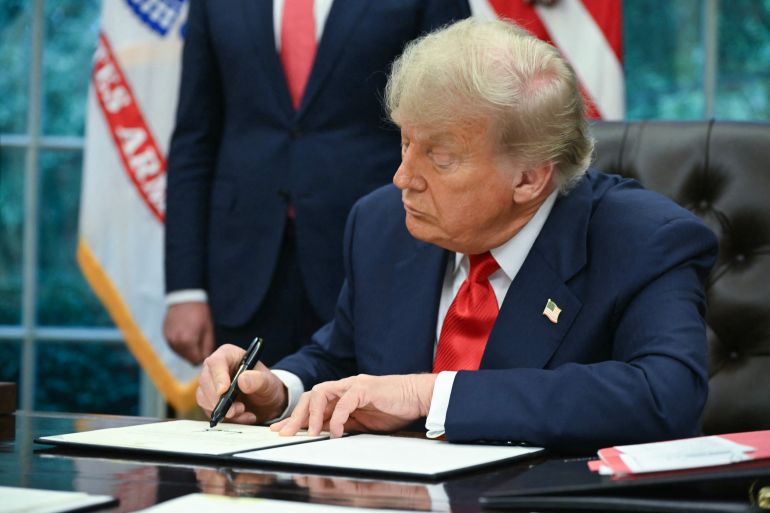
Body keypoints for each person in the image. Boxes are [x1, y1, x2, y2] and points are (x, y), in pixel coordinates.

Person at [195, 18, 718, 452]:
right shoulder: (381, 223)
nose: (404, 177)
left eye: (439, 158)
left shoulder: (644, 240)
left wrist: (433, 396)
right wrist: (278, 391)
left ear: (529, 176)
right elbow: (343, 357)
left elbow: (664, 397)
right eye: (404, 144)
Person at [163, 0, 471, 366]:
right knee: (244, 409)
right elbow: (194, 140)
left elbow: (457, 120)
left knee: (371, 416)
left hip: (381, 258)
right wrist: (184, 288)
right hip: (242, 267)